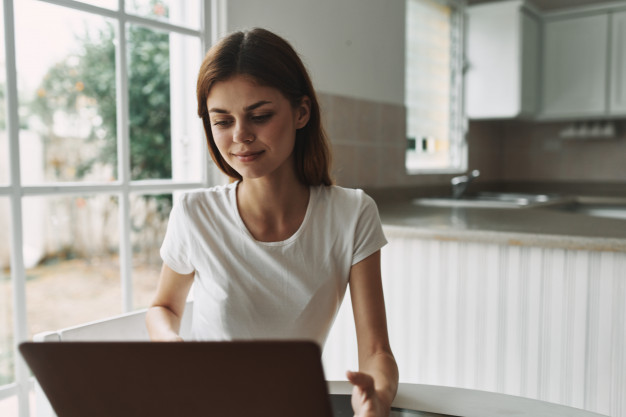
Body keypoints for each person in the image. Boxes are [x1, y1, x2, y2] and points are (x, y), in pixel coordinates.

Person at [145, 27, 398, 417]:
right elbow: (163, 307)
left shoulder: (352, 215)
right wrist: (170, 345)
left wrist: (378, 397)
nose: (240, 136)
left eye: (259, 116)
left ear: (301, 112)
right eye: (222, 121)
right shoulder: (195, 214)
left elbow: (377, 350)